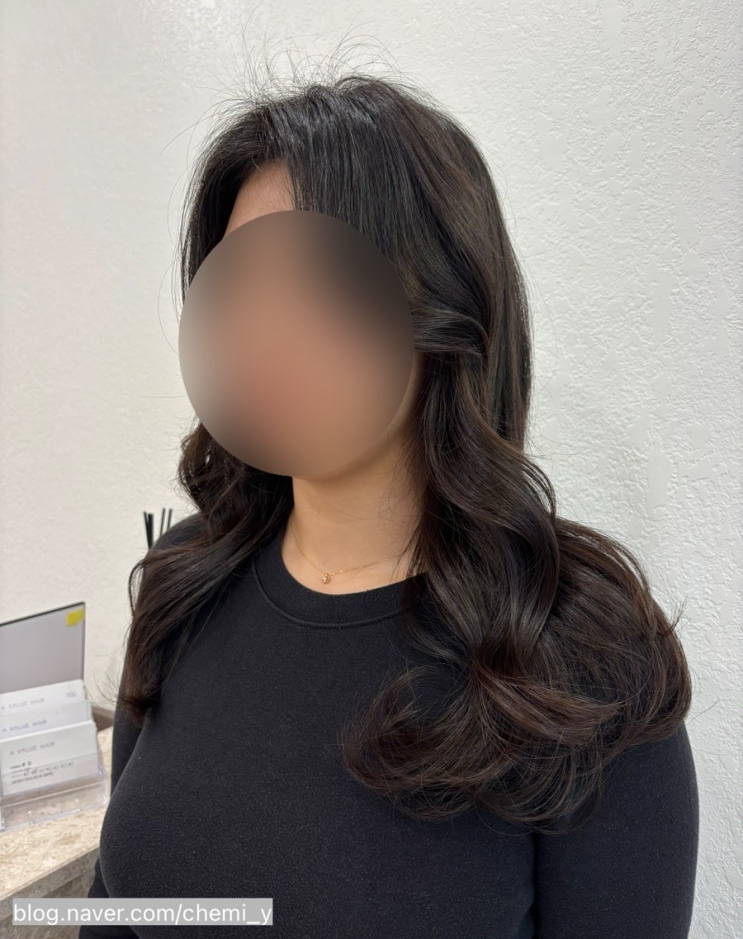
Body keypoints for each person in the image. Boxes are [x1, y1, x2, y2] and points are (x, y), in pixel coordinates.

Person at [79, 72, 698, 938]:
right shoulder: (183, 581)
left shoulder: (583, 656)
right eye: (240, 286)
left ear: (442, 306)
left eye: (324, 280)